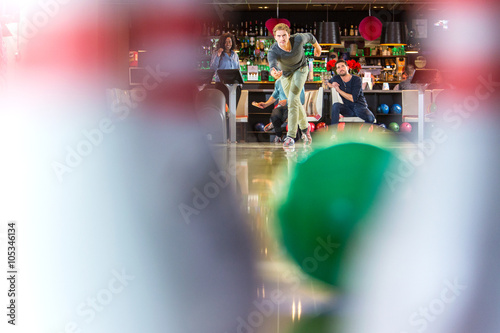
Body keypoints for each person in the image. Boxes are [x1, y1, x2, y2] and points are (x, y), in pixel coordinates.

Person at [267, 23, 321, 147]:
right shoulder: (273, 50)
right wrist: (274, 73)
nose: (282, 39)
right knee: (295, 100)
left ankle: (290, 136)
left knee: (292, 100)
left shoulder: (298, 39)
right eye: (279, 36)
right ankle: (305, 128)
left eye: (284, 35)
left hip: (301, 69)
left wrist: (317, 47)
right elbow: (272, 65)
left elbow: (311, 37)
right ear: (275, 37)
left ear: (289, 35)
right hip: (285, 74)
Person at [253, 78, 305, 143]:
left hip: (294, 107)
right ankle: (279, 135)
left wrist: (287, 101)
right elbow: (275, 95)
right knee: (274, 114)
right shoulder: (279, 81)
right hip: (282, 108)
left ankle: (275, 126)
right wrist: (266, 104)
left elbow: (302, 100)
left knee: (287, 114)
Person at [327, 59, 376, 124]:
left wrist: (338, 90)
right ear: (336, 71)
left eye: (343, 66)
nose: (341, 69)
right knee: (336, 105)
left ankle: (363, 134)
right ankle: (333, 133)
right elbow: (327, 82)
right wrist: (332, 85)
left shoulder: (356, 79)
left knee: (371, 118)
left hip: (360, 107)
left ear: (347, 68)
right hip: (348, 109)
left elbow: (353, 98)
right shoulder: (336, 78)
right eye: (338, 67)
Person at [209, 32, 241, 106]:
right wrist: (218, 55)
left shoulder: (235, 55)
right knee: (222, 108)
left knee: (233, 109)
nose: (228, 44)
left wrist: (240, 84)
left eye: (229, 41)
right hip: (221, 84)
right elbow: (213, 68)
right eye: (225, 42)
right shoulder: (216, 53)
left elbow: (238, 69)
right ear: (222, 43)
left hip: (234, 85)